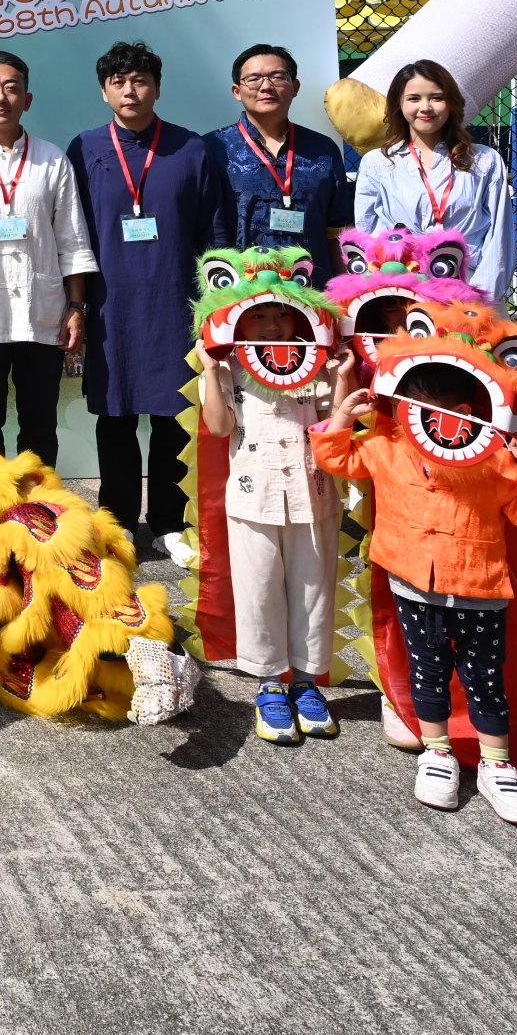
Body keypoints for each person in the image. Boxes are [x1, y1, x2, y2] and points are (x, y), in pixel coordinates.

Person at [310, 378, 517, 829]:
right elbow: (335, 458)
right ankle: (437, 753)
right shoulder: (385, 445)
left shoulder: (494, 459)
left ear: (468, 411)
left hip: (482, 588)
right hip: (413, 585)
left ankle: (497, 765)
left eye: (437, 412)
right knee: (427, 672)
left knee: (485, 679)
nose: (424, 423)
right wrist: (343, 415)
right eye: (413, 411)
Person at [67, 42, 231, 547]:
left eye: (140, 80)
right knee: (114, 415)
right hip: (111, 304)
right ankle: (116, 523)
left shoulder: (191, 149)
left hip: (174, 302)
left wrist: (214, 305)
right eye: (118, 82)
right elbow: (71, 234)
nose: (130, 90)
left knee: (172, 415)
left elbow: (215, 233)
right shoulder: (85, 148)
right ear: (104, 92)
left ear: (157, 88)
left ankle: (167, 523)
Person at [196, 304, 361, 746]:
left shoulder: (317, 365)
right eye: (259, 317)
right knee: (259, 588)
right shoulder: (230, 367)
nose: (272, 326)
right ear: (237, 323)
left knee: (315, 589)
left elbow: (340, 419)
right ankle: (269, 683)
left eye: (282, 316)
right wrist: (211, 370)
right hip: (252, 498)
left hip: (315, 496)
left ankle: (307, 683)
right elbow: (218, 425)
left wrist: (343, 372)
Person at [0, 52, 95, 459]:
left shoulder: (52, 159)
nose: (1, 97)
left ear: (27, 100)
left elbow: (71, 239)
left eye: (12, 88)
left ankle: (41, 510)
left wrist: (76, 306)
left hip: (41, 313)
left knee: (40, 422)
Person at [352, 59, 515, 305]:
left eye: (436, 98)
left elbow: (498, 236)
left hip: (469, 291)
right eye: (414, 98)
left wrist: (479, 299)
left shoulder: (484, 160)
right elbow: (368, 233)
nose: (426, 107)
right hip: (402, 292)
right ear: (399, 104)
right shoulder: (378, 163)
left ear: (451, 103)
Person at [207, 45, 348, 284]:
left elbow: (338, 230)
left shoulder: (323, 149)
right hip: (241, 293)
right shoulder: (213, 149)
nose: (266, 86)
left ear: (295, 87)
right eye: (253, 79)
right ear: (236, 91)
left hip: (312, 288)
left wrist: (344, 289)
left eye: (277, 77)